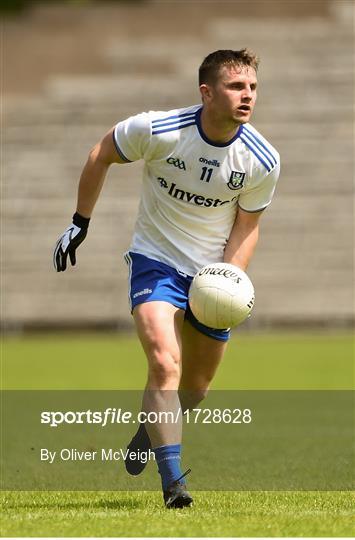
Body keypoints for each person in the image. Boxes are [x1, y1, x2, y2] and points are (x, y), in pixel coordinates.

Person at [53, 49, 280, 508]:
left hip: (210, 274)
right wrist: (80, 222)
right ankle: (173, 483)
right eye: (237, 87)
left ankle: (147, 431)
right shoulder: (157, 129)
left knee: (193, 389)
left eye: (252, 87)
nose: (248, 95)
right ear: (207, 92)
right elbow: (100, 154)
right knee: (164, 363)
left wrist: (229, 280)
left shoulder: (262, 159)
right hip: (154, 261)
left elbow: (247, 226)